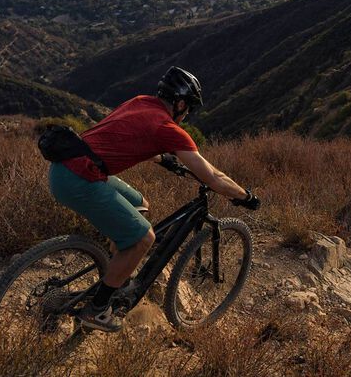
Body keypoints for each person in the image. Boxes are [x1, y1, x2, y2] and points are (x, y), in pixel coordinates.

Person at [48, 66, 260, 332]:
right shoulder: (168, 128)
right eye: (189, 108)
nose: (187, 115)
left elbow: (127, 137)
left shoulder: (140, 102)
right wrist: (245, 196)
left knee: (140, 203)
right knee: (144, 238)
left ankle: (118, 274)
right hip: (80, 180)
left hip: (65, 167)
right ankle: (97, 310)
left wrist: (164, 160)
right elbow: (214, 178)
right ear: (181, 103)